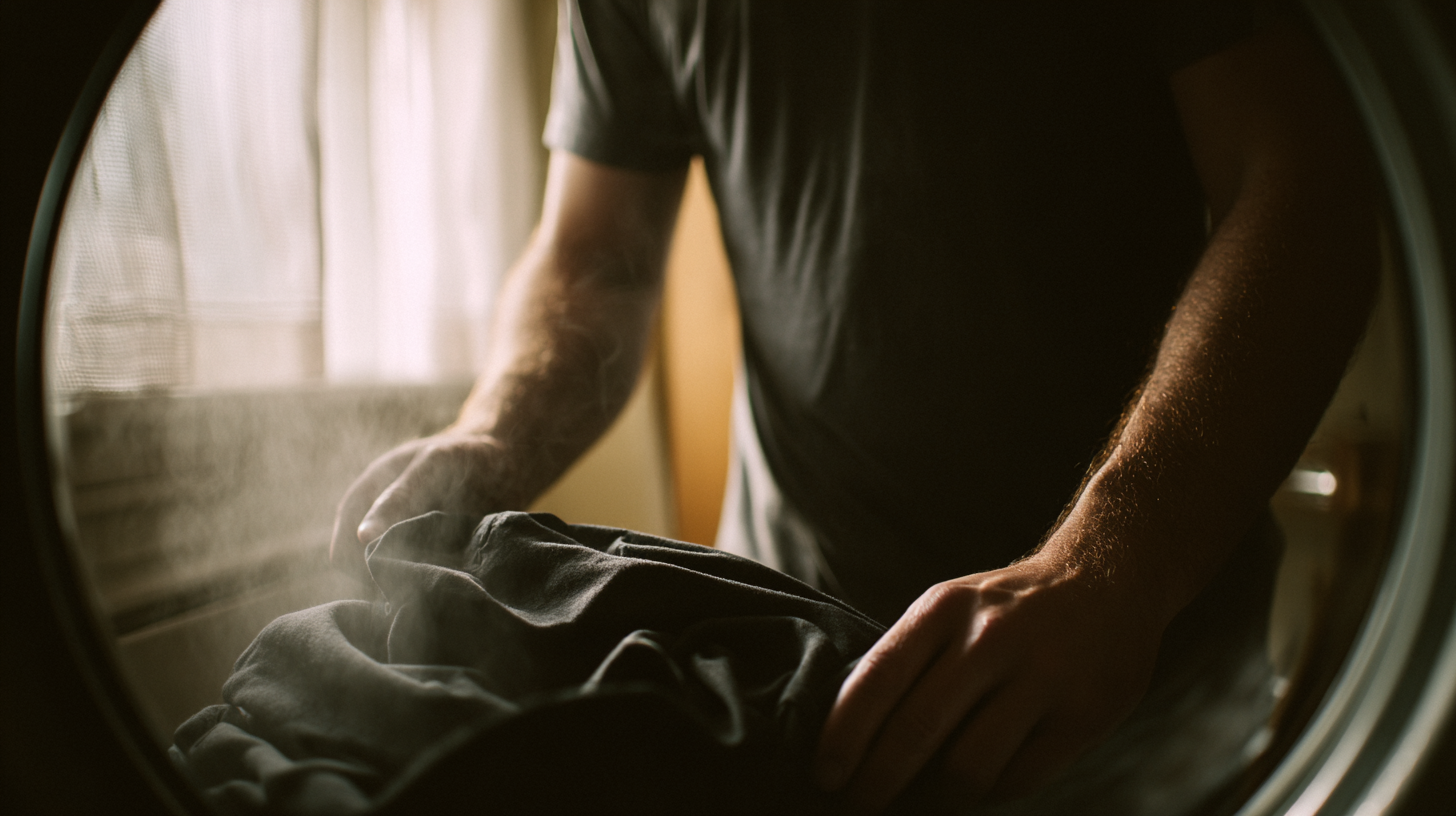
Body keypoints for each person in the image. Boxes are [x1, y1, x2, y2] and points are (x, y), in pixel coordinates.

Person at [331, 1, 1378, 810]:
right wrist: (493, 433)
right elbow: (595, 253)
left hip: (1129, 674)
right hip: (803, 676)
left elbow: (1299, 176)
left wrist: (1111, 569)